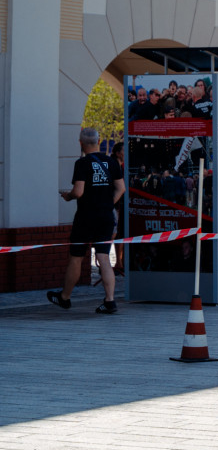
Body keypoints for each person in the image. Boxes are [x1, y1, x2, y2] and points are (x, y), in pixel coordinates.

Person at [48, 128, 125, 314]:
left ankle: (65, 297)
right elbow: (121, 188)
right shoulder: (111, 162)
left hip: (85, 217)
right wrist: (107, 204)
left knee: (76, 258)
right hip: (106, 217)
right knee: (104, 257)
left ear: (80, 143)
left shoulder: (82, 163)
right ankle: (110, 301)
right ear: (99, 141)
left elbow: (79, 191)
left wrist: (68, 196)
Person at [110, 142, 126, 275]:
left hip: (117, 205)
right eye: (123, 151)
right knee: (115, 233)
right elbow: (120, 188)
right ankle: (117, 263)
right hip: (114, 206)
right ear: (117, 153)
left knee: (119, 233)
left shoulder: (120, 166)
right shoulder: (115, 166)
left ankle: (119, 262)